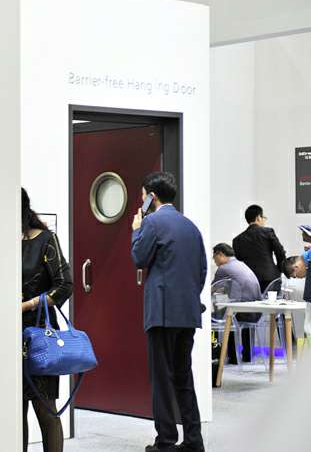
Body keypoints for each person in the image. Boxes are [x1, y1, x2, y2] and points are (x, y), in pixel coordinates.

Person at [131, 172, 206, 452]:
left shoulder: (151, 222)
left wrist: (136, 229)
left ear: (152, 196)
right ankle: (194, 440)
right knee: (183, 376)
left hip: (162, 313)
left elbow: (139, 257)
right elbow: (201, 271)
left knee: (161, 379)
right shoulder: (191, 226)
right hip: (187, 312)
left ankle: (165, 442)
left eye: (142, 195)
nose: (141, 200)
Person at [20, 188, 73, 452]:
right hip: (5, 333)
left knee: (45, 408)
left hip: (40, 333)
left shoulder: (45, 239)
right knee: (13, 410)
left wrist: (28, 304)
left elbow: (65, 285)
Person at [212, 243, 261, 363]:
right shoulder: (242, 264)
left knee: (220, 315)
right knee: (225, 308)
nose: (214, 260)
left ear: (220, 254)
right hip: (256, 310)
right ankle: (247, 355)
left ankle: (231, 356)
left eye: (214, 257)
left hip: (240, 309)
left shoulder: (223, 268)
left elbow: (213, 289)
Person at [232, 205, 287, 293]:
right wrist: (279, 269)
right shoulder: (268, 232)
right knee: (272, 301)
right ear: (258, 217)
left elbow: (238, 261)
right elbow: (280, 252)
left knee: (253, 302)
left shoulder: (237, 240)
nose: (264, 220)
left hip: (249, 279)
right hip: (270, 278)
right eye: (263, 217)